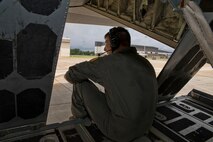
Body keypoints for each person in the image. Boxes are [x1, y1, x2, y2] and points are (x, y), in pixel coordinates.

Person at [64, 27, 158, 142]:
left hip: (119, 132)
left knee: (80, 84)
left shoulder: (107, 62)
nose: (105, 48)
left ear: (114, 43)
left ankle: (78, 122)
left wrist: (93, 64)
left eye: (107, 43)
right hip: (144, 127)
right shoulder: (145, 62)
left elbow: (70, 75)